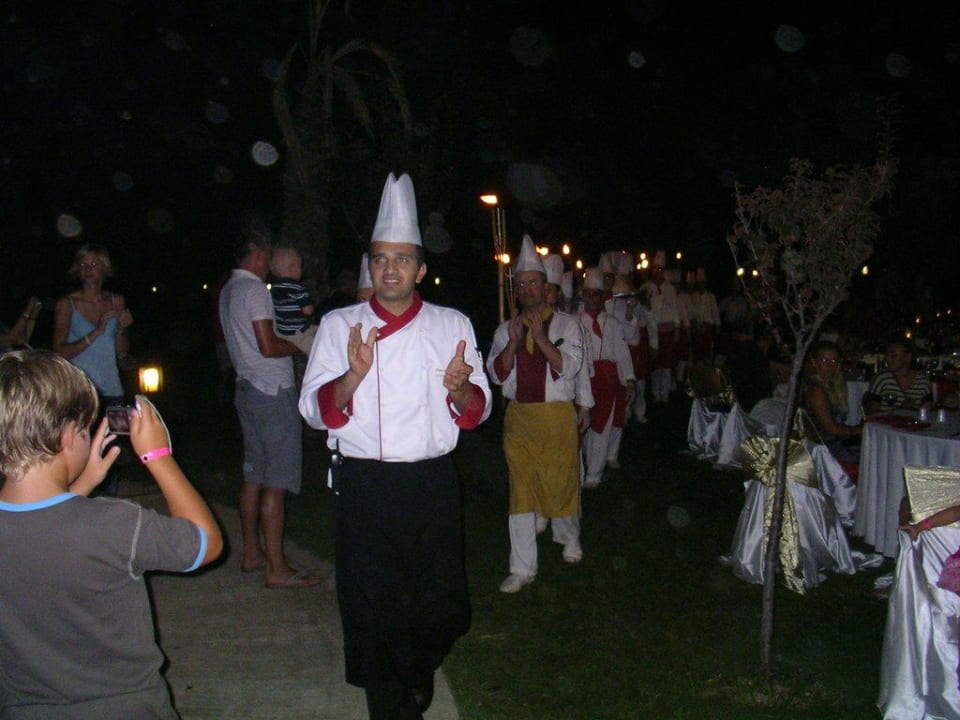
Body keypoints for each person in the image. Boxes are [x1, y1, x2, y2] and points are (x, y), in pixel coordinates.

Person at [299, 173, 491, 720]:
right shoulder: (341, 326)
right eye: (381, 259)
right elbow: (314, 410)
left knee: (442, 603)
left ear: (421, 268)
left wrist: (462, 388)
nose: (390, 269)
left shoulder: (450, 323)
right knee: (372, 602)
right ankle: (389, 702)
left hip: (430, 482)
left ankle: (418, 663)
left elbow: (478, 411)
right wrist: (352, 378)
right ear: (370, 266)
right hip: (366, 483)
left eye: (402, 259)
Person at [0, 349, 223, 719]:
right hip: (126, 707)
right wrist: (159, 456)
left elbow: (41, 527)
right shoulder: (116, 525)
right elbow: (204, 544)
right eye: (86, 428)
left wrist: (84, 481)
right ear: (68, 435)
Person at [219, 227, 318, 589]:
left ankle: (252, 553)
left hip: (246, 387)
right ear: (258, 254)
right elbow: (268, 345)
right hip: (271, 391)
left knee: (254, 474)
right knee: (276, 482)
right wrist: (300, 346)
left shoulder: (229, 290)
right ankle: (277, 568)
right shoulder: (255, 290)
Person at [488, 238, 587, 594]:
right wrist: (514, 343)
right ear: (517, 289)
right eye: (523, 283)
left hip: (556, 416)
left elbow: (571, 368)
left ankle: (569, 536)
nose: (528, 289)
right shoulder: (504, 330)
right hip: (520, 419)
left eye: (534, 282)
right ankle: (522, 567)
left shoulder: (567, 326)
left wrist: (540, 337)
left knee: (561, 480)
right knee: (521, 491)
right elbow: (496, 375)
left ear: (545, 287)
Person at [53, 244, 134, 496]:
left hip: (113, 391)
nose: (89, 270)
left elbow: (122, 351)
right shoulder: (67, 304)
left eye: (94, 264)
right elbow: (58, 352)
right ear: (77, 269)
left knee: (115, 452)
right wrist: (95, 332)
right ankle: (78, 508)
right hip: (79, 393)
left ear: (104, 268)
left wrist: (121, 328)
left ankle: (108, 511)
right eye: (83, 265)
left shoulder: (115, 300)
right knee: (79, 456)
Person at [579, 267, 636, 487]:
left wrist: (629, 379)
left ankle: (594, 474)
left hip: (609, 381)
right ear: (583, 296)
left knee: (603, 428)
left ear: (603, 296)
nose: (592, 298)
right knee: (584, 427)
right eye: (588, 293)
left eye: (597, 294)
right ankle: (583, 466)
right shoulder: (575, 322)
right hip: (584, 379)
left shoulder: (611, 323)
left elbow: (622, 352)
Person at [801, 339, 862, 463]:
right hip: (824, 449)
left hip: (830, 444)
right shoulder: (816, 390)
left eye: (834, 361)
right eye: (825, 361)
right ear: (814, 362)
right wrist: (858, 430)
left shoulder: (830, 386)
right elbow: (832, 429)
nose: (830, 365)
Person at [638, 251, 680, 403]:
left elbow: (674, 308)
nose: (657, 272)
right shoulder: (646, 287)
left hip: (667, 329)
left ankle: (665, 392)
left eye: (660, 269)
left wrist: (677, 327)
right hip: (652, 331)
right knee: (655, 364)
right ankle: (656, 393)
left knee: (667, 363)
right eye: (655, 268)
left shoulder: (670, 288)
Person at [862, 338, 934, 415]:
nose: (888, 359)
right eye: (887, 355)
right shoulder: (882, 379)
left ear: (908, 357)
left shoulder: (922, 382)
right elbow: (871, 413)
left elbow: (928, 413)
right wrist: (900, 411)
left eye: (893, 355)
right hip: (884, 426)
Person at [269, 246, 317, 355]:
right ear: (293, 268)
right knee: (317, 350)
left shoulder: (274, 288)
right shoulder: (297, 288)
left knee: (316, 329)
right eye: (300, 267)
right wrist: (310, 305)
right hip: (297, 333)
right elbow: (307, 311)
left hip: (282, 332)